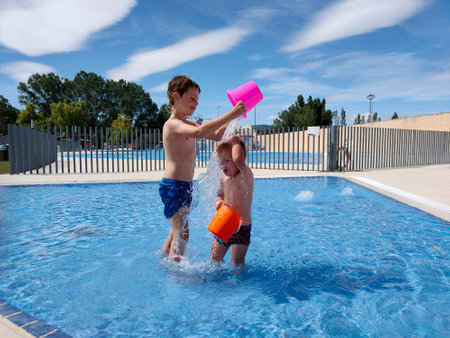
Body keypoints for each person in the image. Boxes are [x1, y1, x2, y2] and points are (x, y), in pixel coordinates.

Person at [159, 75, 246, 261]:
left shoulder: (186, 122)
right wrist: (231, 113)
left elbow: (214, 135)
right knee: (182, 234)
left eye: (198, 99)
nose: (196, 103)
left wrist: (234, 119)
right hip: (173, 186)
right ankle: (175, 275)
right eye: (192, 98)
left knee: (176, 230)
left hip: (183, 186)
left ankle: (163, 259)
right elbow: (200, 132)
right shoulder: (172, 124)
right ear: (176, 96)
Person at [210, 135, 254, 266]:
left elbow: (238, 160)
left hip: (242, 227)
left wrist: (235, 141)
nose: (222, 164)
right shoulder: (223, 178)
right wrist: (218, 201)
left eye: (227, 160)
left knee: (237, 262)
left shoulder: (245, 175)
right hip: (224, 223)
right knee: (214, 259)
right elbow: (220, 195)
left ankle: (238, 283)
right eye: (221, 160)